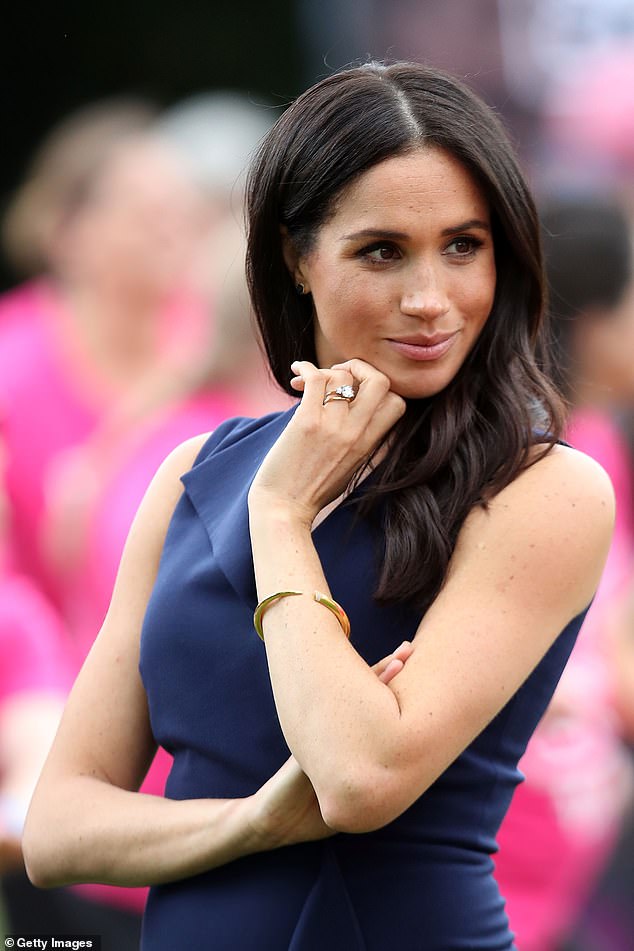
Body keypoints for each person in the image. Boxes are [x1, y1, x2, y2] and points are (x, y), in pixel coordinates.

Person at [23, 61, 614, 950]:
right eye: (382, 250)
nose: (430, 299)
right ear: (297, 260)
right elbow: (57, 829)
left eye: (464, 245)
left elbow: (357, 777)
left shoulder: (543, 487)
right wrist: (248, 824)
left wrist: (283, 518)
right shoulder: (195, 471)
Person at [493, 197, 634, 950]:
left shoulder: (601, 441)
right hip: (515, 842)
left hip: (582, 833)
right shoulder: (524, 460)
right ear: (594, 324)